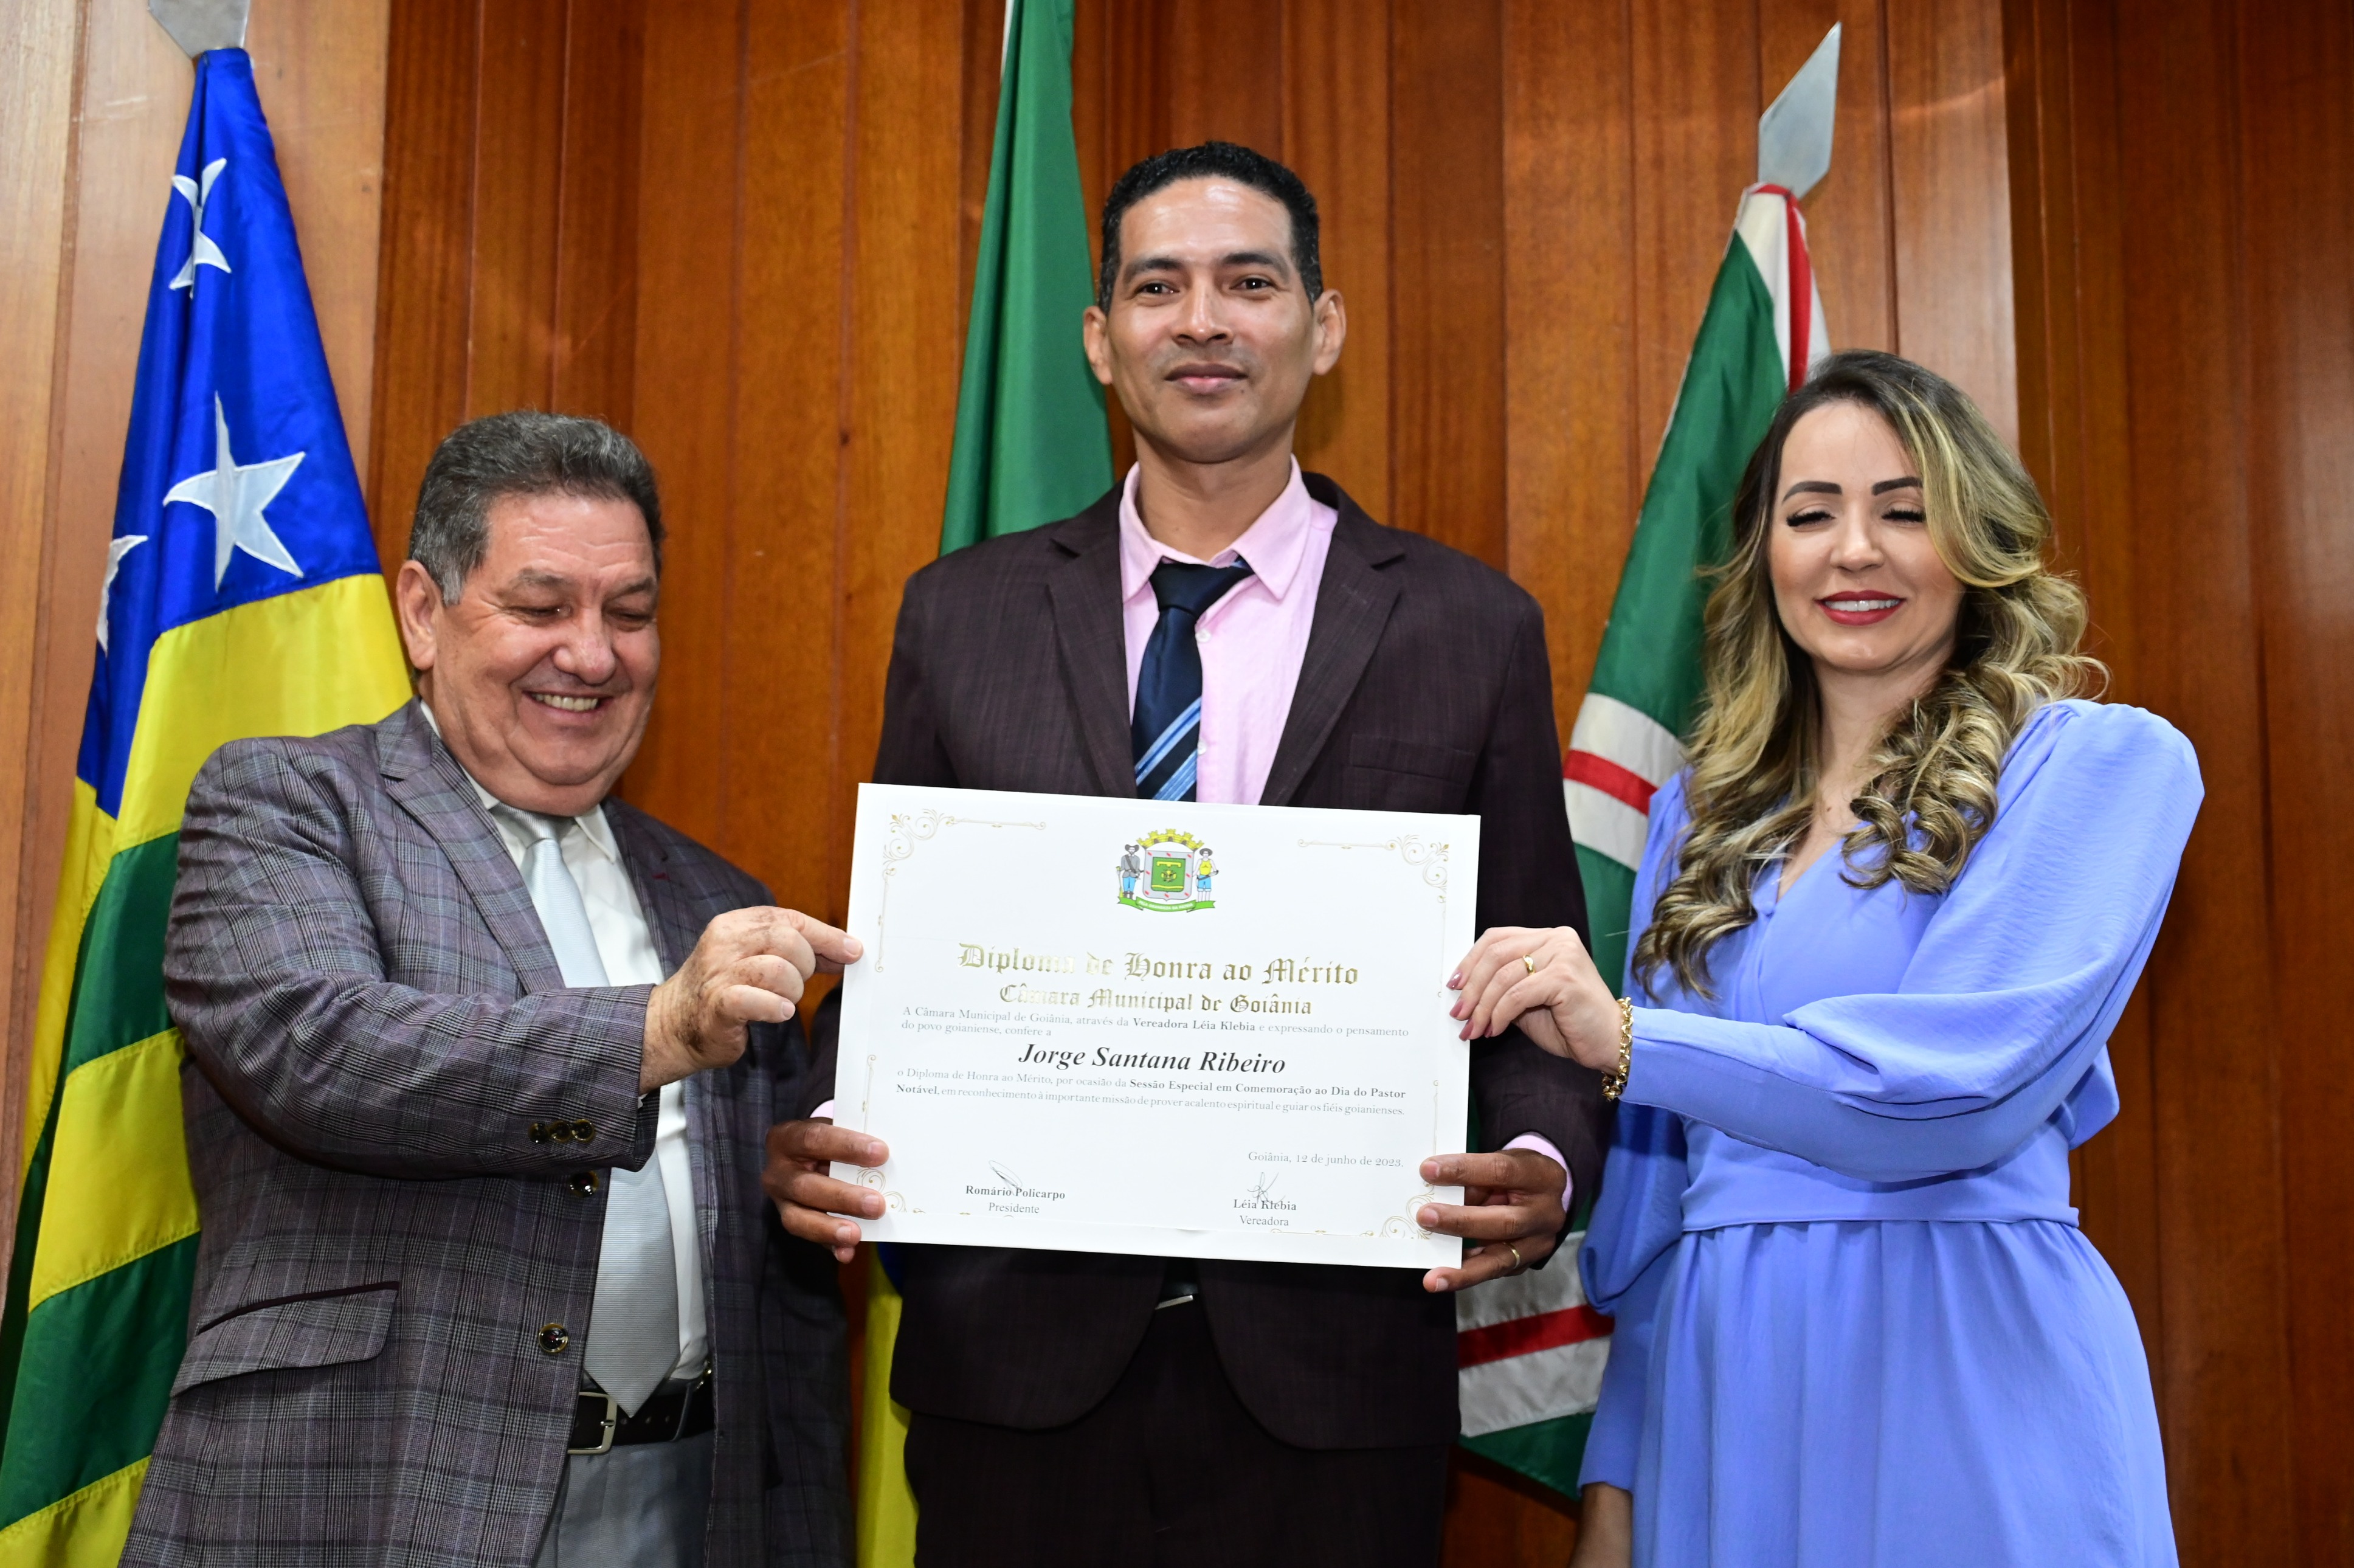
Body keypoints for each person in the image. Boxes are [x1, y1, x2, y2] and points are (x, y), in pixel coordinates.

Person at [765, 142, 1608, 1566]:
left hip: (1338, 1387)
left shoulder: (1469, 628)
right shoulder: (961, 617)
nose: (1202, 321)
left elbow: (1534, 970)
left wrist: (1538, 1159)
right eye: (1158, 288)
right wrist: (828, 1122)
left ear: (1321, 328)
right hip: (1014, 1378)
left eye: (1249, 283)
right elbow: (909, 963)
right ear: (1102, 341)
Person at [1448, 351, 2194, 1567]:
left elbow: (1953, 1094)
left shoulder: (2094, 765)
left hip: (1963, 1366)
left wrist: (1628, 1039)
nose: (1854, 551)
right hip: (1715, 1396)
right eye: (1810, 516)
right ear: (1763, 558)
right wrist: (1616, 1485)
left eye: (1904, 511)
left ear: (1979, 541)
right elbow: (1659, 1207)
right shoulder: (1697, 816)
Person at [126, 414, 857, 1567]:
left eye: (629, 614)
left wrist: (784, 1180)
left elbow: (777, 1291)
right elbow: (326, 1056)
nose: (593, 656)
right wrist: (659, 1028)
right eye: (542, 607)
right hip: (376, 1497)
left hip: (693, 1500)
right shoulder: (286, 806)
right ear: (424, 612)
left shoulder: (715, 896)